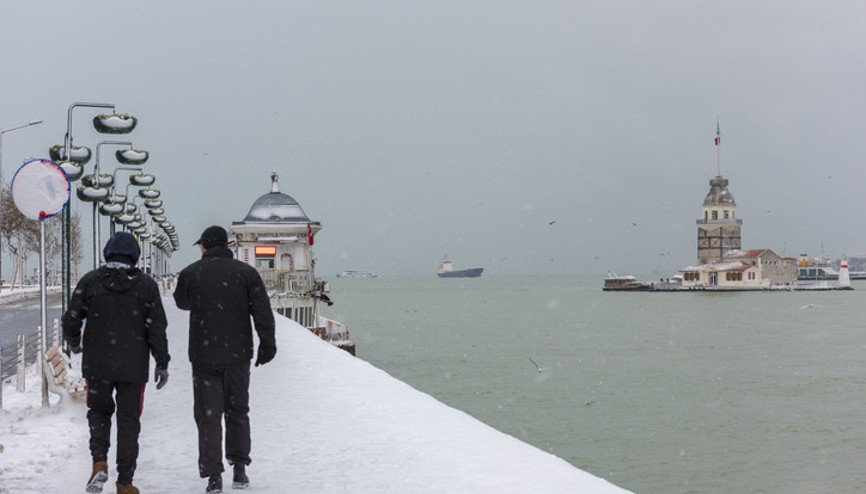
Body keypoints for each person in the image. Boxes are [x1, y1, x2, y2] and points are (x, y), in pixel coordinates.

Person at [62, 231, 170, 494]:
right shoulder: (146, 285)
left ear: (107, 253)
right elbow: (157, 328)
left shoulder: (90, 281)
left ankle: (99, 462)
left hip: (98, 365)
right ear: (134, 256)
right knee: (129, 421)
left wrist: (75, 342)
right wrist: (162, 362)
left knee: (99, 413)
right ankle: (125, 482)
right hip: (133, 368)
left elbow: (71, 319)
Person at [173, 225, 276, 493]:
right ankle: (240, 468)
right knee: (237, 410)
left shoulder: (191, 272)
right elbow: (262, 311)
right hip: (238, 354)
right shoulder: (247, 274)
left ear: (204, 246)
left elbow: (181, 303)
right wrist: (268, 343)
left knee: (208, 415)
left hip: (204, 355)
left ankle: (213, 475)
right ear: (227, 245)